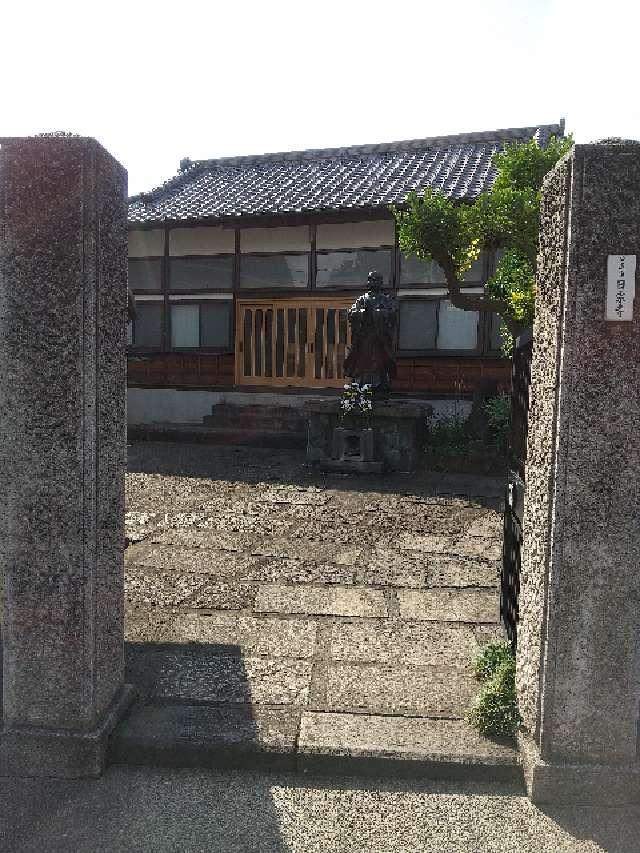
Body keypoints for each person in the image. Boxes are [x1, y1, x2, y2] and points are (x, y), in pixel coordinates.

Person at [344, 270, 398, 397]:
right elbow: (352, 314)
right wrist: (362, 312)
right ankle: (361, 386)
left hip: (380, 339)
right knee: (363, 364)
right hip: (364, 339)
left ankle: (380, 386)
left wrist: (378, 313)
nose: (372, 282)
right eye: (370, 279)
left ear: (380, 283)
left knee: (379, 363)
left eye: (375, 280)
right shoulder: (362, 299)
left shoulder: (386, 300)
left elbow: (392, 315)